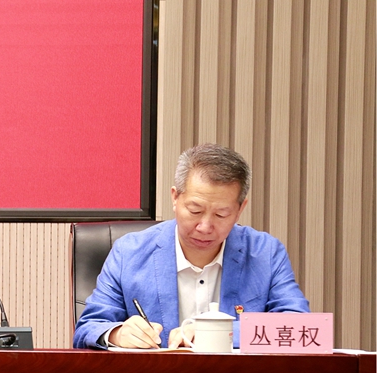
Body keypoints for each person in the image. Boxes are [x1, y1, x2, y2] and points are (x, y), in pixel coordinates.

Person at [73, 143, 309, 349]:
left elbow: (299, 328)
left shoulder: (265, 253)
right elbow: (88, 328)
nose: (205, 227)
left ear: (240, 209)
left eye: (221, 214)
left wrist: (217, 333)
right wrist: (117, 334)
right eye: (195, 210)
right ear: (175, 198)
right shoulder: (129, 252)